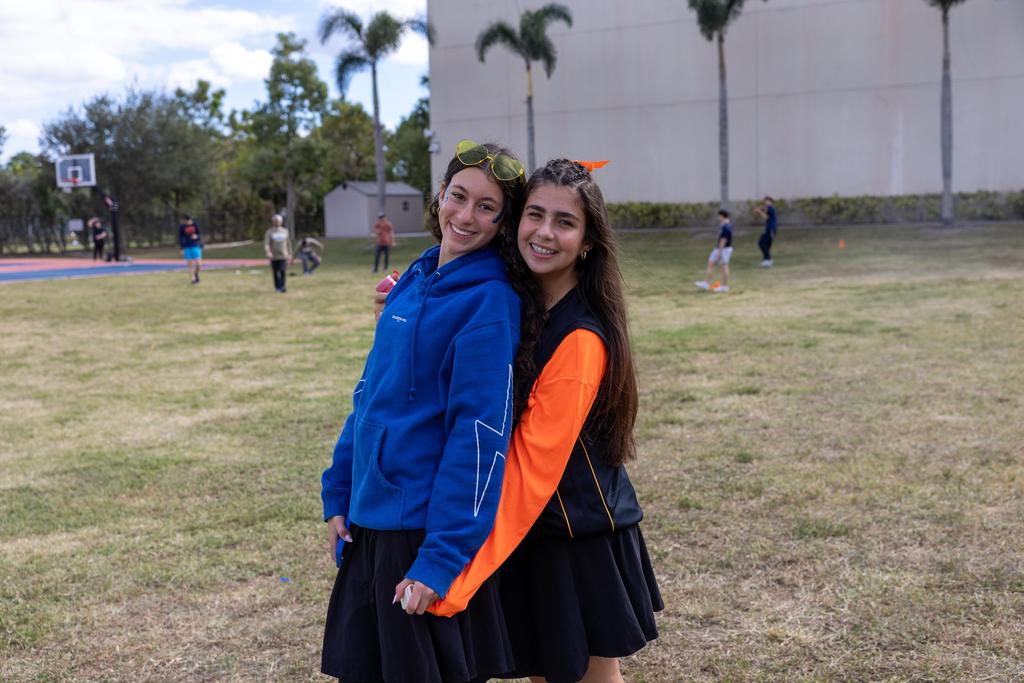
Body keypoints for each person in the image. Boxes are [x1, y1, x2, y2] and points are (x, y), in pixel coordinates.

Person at [432, 159, 663, 683]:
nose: (543, 232)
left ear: (587, 241)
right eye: (534, 214)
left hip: (571, 536)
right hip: (523, 533)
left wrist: (454, 572)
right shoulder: (517, 300)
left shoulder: (579, 337)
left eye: (565, 222)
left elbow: (530, 469)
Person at [320, 140, 538, 683]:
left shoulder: (490, 302)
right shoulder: (414, 279)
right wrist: (339, 490)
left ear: (504, 222)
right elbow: (369, 393)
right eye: (458, 196)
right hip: (368, 522)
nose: (465, 216)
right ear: (439, 195)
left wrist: (441, 558)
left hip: (419, 533)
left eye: (487, 207)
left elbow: (478, 439)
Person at [695, 209, 733, 293]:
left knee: (724, 267)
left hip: (723, 249)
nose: (718, 218)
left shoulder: (726, 227)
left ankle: (724, 287)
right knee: (711, 263)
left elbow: (723, 240)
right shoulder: (726, 225)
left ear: (722, 216)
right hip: (720, 248)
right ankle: (706, 283)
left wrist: (719, 253)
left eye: (719, 216)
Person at [263, 214, 292, 293]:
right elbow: (267, 243)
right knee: (275, 272)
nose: (276, 222)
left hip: (283, 255)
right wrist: (268, 251)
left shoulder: (285, 231)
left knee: (282, 271)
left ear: (281, 222)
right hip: (274, 256)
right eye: (275, 221)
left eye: (278, 221)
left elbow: (288, 243)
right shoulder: (269, 232)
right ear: (273, 222)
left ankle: (282, 286)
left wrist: (290, 253)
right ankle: (277, 287)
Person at [178, 214, 203, 284]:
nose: (187, 222)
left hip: (195, 246)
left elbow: (199, 234)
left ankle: (196, 273)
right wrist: (181, 248)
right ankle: (193, 279)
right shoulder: (182, 227)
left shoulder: (195, 225)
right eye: (186, 221)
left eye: (189, 220)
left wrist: (197, 236)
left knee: (199, 264)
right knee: (190, 264)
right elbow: (180, 238)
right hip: (187, 247)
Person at [755, 195, 778, 267]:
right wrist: (760, 210)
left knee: (761, 243)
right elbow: (764, 211)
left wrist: (759, 212)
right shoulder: (769, 208)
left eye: (767, 201)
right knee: (766, 244)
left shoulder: (770, 208)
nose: (765, 202)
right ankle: (766, 260)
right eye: (765, 201)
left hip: (771, 229)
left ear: (770, 201)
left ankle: (768, 259)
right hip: (769, 228)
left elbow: (766, 217)